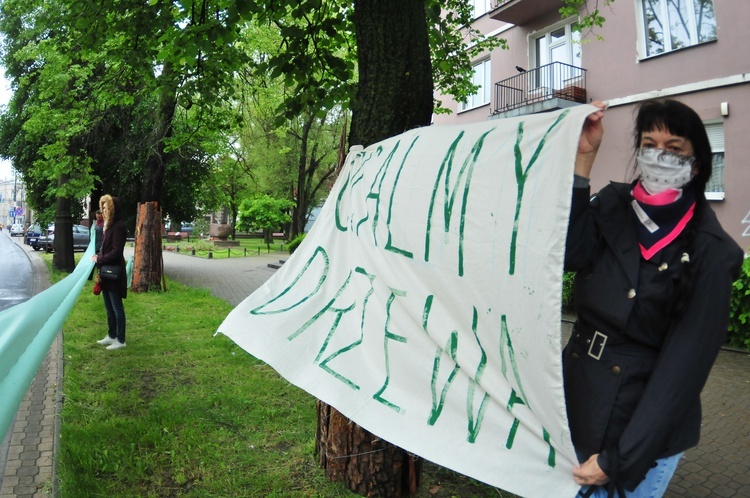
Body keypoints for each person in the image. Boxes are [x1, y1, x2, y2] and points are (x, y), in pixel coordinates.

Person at [564, 99, 743, 497]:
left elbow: (681, 374)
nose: (658, 156)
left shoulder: (711, 252)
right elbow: (570, 255)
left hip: (638, 431)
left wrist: (618, 459)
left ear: (696, 163)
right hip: (576, 400)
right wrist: (583, 162)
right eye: (648, 144)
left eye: (674, 148)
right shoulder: (614, 205)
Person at [91, 195, 128, 350]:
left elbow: (116, 252)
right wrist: (98, 255)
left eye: (106, 208)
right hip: (106, 272)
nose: (103, 211)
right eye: (103, 207)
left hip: (114, 273)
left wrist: (99, 258)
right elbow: (105, 248)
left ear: (113, 209)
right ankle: (111, 335)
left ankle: (121, 339)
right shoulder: (109, 226)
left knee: (116, 307)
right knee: (108, 306)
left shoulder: (119, 226)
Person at [88, 210, 104, 280]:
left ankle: (100, 275)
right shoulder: (94, 224)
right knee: (92, 260)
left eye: (99, 217)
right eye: (97, 217)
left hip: (101, 244)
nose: (98, 218)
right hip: (94, 245)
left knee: (100, 261)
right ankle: (90, 276)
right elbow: (91, 234)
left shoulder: (104, 224)